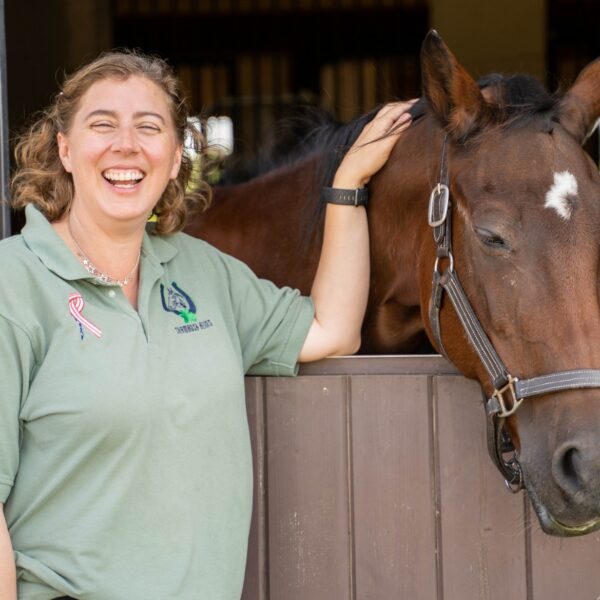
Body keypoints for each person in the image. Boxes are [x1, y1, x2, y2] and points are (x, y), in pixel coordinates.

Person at [0, 50, 414, 600]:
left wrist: (347, 182)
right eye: (103, 125)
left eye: (149, 127)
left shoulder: (201, 269)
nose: (126, 144)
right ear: (65, 150)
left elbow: (332, 329)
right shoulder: (14, 282)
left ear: (174, 158)